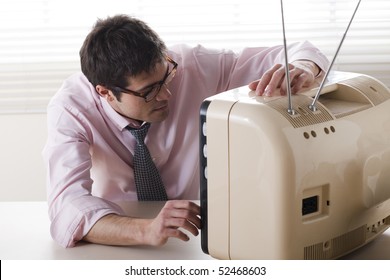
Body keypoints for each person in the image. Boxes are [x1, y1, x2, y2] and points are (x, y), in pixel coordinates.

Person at [43, 14, 329, 248]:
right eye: (149, 91)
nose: (167, 94)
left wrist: (302, 68)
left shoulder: (192, 64)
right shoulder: (70, 109)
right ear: (105, 93)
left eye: (166, 76)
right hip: (120, 231)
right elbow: (68, 207)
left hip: (199, 230)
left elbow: (298, 51)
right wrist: (145, 230)